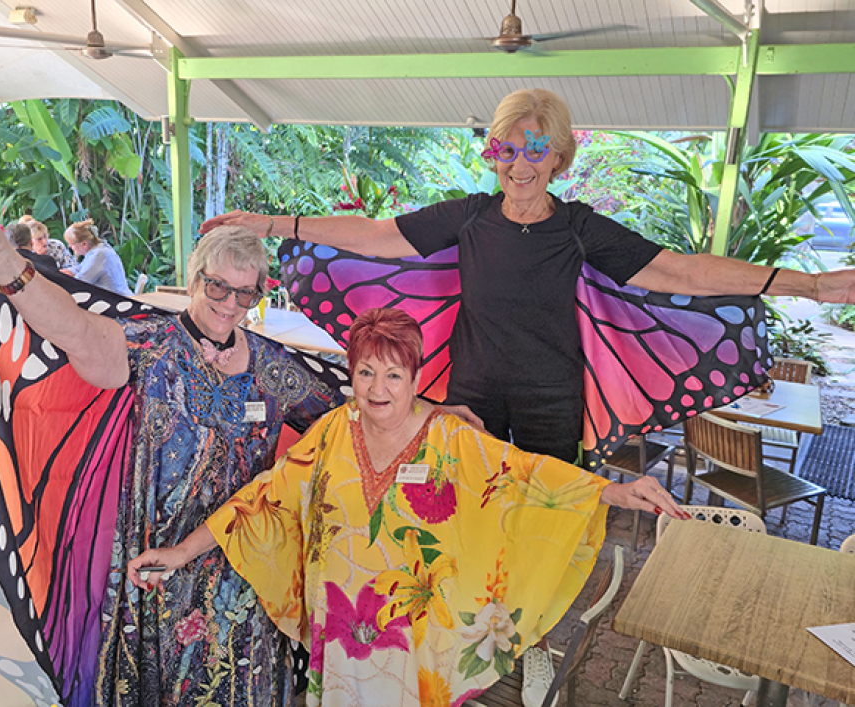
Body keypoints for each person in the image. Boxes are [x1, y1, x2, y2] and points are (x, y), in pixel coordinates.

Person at [199, 87, 855, 705]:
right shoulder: (470, 217)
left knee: (546, 518)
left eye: (535, 150)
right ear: (493, 154)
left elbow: (681, 268)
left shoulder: (578, 228)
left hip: (551, 399)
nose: (518, 165)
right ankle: (459, 628)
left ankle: (534, 638)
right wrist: (270, 220)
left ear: (560, 158)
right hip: (473, 394)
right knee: (458, 514)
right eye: (505, 149)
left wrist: (813, 285)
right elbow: (375, 235)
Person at [127, 307, 691, 707]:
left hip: (413, 641)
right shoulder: (330, 433)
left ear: (417, 378)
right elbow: (261, 498)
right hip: (341, 631)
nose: (377, 388)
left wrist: (612, 491)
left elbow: (521, 476)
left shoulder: (451, 438)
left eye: (393, 375)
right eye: (365, 372)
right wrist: (180, 551)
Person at [0, 206, 349, 706]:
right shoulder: (152, 347)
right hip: (157, 576)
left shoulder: (270, 365)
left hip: (246, 581)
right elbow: (74, 330)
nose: (230, 303)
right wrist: (1, 260)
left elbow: (347, 418)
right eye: (218, 287)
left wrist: (433, 417)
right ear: (196, 280)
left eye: (246, 292)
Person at [64, 217, 132, 295]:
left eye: (71, 244)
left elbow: (81, 283)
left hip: (117, 299)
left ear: (84, 244)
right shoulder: (99, 249)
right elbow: (81, 268)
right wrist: (67, 272)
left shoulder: (99, 255)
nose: (69, 246)